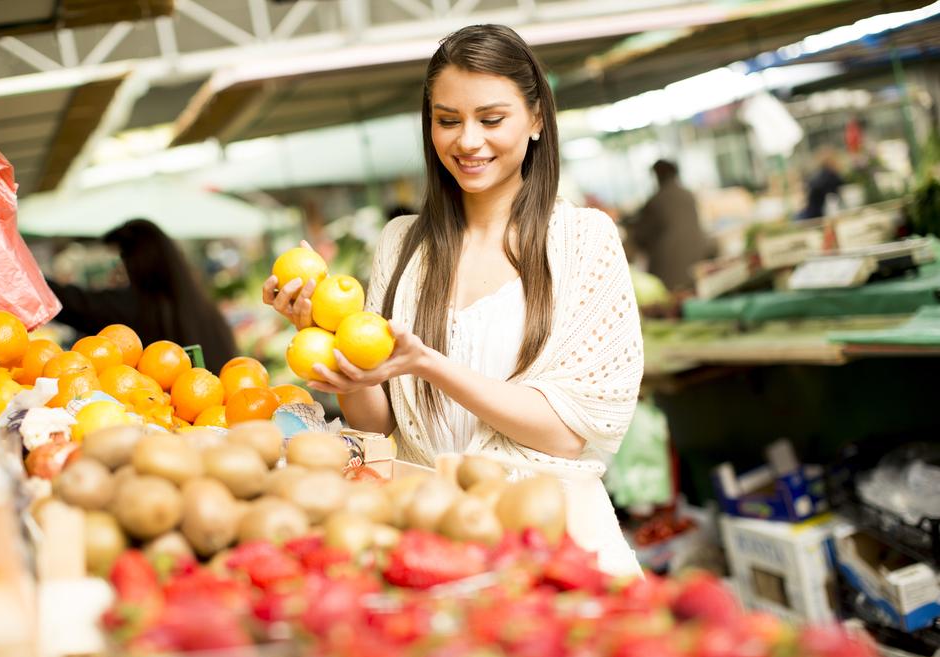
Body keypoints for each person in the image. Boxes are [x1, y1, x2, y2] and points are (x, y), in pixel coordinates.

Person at [265, 25, 643, 576]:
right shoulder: (401, 245)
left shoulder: (585, 240)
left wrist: (429, 365)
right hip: (431, 538)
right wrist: (323, 338)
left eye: (491, 119)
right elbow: (378, 426)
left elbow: (568, 433)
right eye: (448, 121)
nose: (467, 141)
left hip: (556, 541)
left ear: (537, 119)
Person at [47, 219, 238, 372]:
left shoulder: (134, 306)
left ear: (137, 261)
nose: (113, 274)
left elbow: (74, 303)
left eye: (118, 262)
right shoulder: (201, 307)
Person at [626, 159, 710, 292]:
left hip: (670, 273)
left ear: (657, 175)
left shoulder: (656, 201)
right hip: (696, 263)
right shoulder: (688, 195)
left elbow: (640, 237)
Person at [797, 146, 844, 220]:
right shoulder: (829, 176)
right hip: (817, 214)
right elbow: (832, 198)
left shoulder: (820, 174)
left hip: (813, 212)